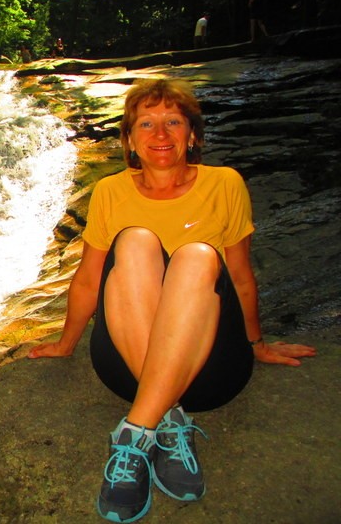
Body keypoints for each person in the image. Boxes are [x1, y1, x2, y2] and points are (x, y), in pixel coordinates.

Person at [28, 78, 315, 523]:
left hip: (210, 370)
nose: (160, 134)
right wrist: (66, 344)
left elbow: (240, 277)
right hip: (127, 365)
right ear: (129, 140)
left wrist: (256, 344)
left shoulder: (224, 184)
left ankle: (137, 432)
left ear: (192, 135)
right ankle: (166, 420)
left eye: (173, 122)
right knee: (135, 241)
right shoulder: (110, 191)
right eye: (146, 123)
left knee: (197, 256)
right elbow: (88, 280)